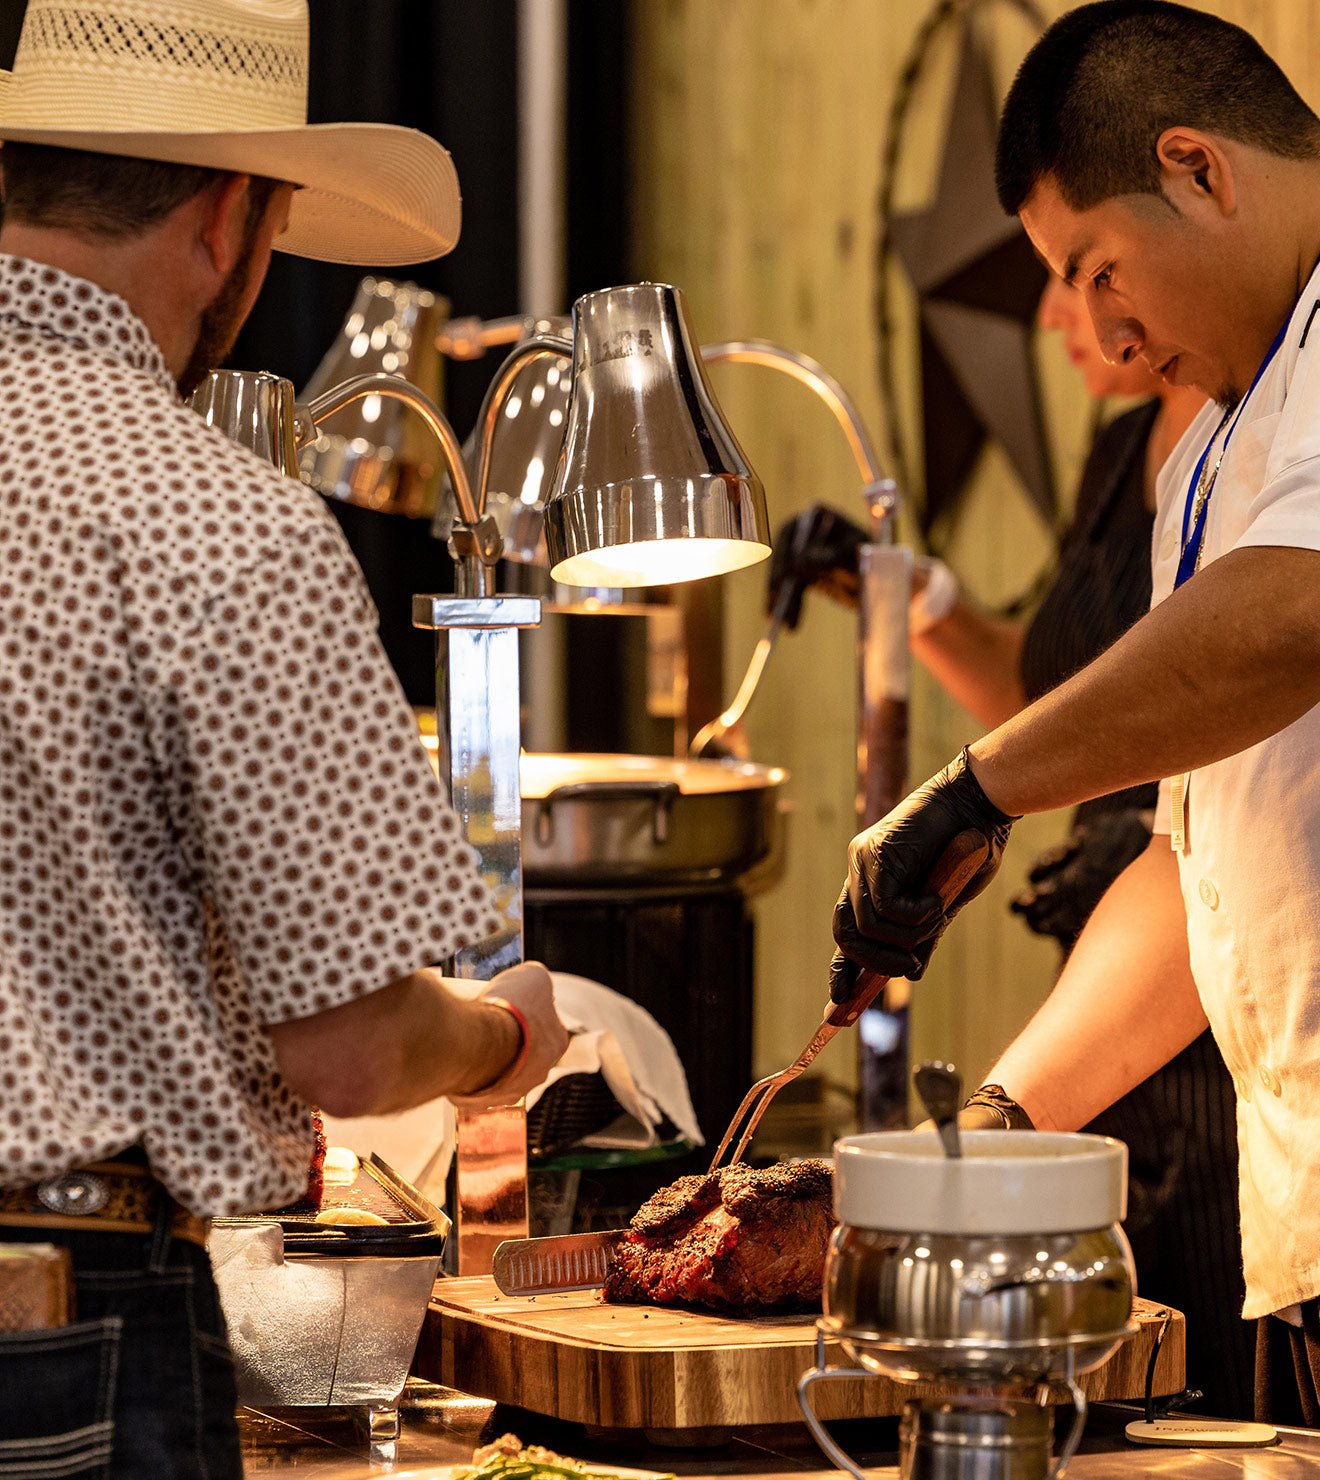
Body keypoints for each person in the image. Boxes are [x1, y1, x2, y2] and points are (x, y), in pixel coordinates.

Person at [0, 2, 568, 1475]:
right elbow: (356, 1048)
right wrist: (502, 1037)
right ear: (229, 218)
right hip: (55, 1318)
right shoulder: (213, 515)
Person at [831, 0, 1320, 1426]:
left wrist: (976, 791)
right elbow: (1201, 871)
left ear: (1199, 169)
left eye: (1098, 269)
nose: (1101, 331)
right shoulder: (1221, 453)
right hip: (1295, 1227)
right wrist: (992, 1133)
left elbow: (1295, 620)